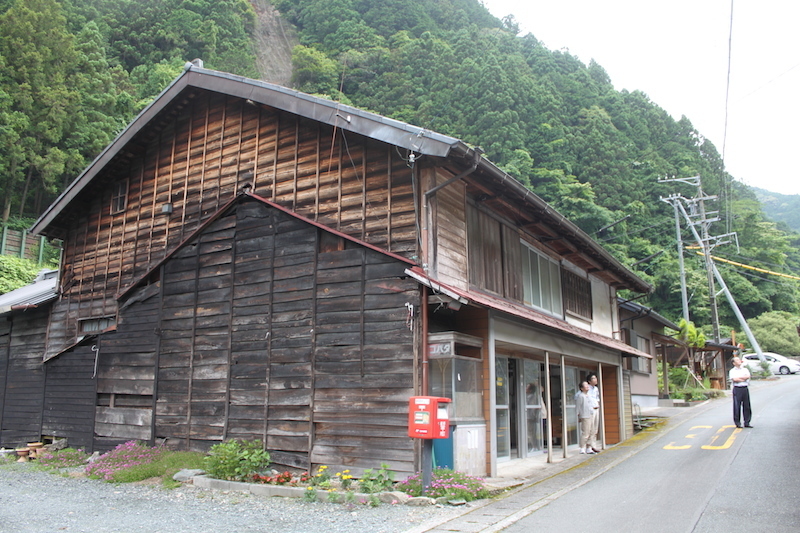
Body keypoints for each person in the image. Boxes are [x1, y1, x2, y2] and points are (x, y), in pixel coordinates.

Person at [729, 357, 753, 428]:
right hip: (737, 389)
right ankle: (737, 422)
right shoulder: (732, 371)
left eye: (739, 359)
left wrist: (740, 379)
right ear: (734, 363)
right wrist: (743, 378)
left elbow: (748, 376)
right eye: (737, 360)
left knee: (747, 405)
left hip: (745, 388)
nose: (739, 361)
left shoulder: (745, 369)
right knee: (737, 406)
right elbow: (734, 379)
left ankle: (747, 422)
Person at [576, 381, 597, 454]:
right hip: (585, 416)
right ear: (582, 388)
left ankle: (589, 447)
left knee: (592, 431)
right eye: (585, 385)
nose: (587, 386)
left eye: (587, 385)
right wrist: (579, 416)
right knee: (586, 432)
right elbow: (578, 407)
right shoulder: (581, 396)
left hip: (591, 414)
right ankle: (582, 447)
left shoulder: (589, 395)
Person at [586, 373, 601, 453]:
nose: (595, 380)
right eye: (593, 378)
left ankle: (593, 445)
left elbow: (597, 398)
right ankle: (589, 446)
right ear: (589, 381)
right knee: (590, 428)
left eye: (595, 378)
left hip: (596, 409)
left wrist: (597, 405)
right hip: (590, 410)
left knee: (595, 428)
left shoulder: (596, 389)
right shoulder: (587, 389)